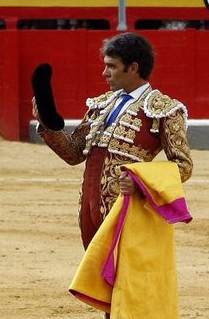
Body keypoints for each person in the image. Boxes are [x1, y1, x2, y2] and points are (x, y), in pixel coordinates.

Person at [34, 32, 193, 248]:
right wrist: (47, 123)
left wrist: (141, 182)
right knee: (94, 275)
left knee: (126, 276)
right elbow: (73, 153)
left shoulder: (164, 110)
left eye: (112, 66)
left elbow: (183, 166)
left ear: (133, 68)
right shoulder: (102, 104)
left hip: (127, 208)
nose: (104, 73)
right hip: (88, 207)